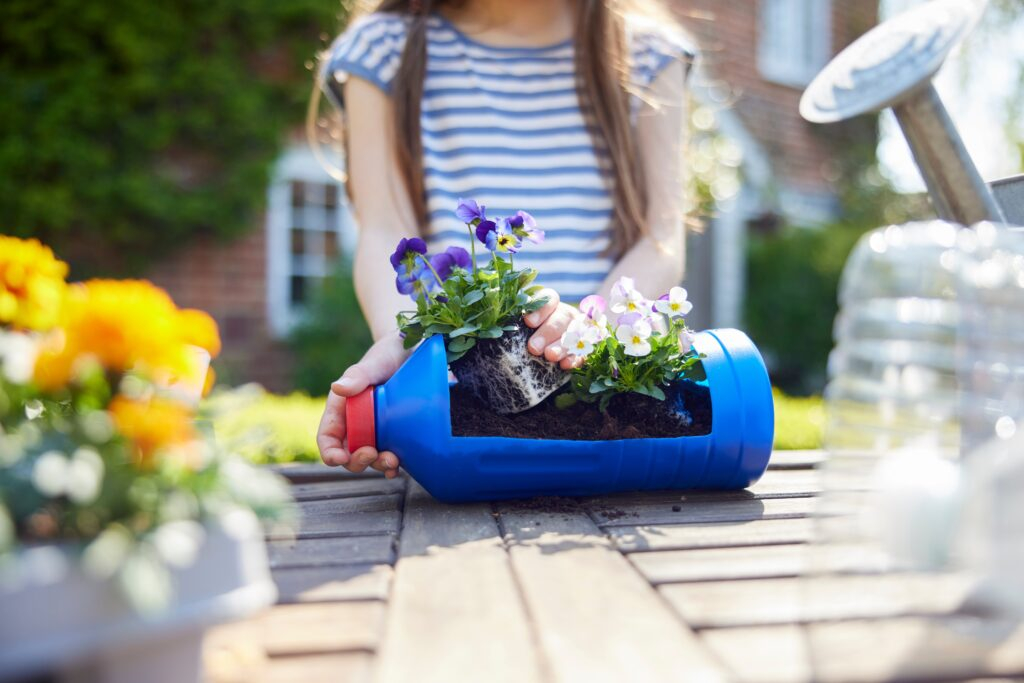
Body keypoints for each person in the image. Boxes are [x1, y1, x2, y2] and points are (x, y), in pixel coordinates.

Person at [315, 0, 695, 477]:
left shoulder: (646, 51)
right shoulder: (385, 48)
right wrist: (410, 349)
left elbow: (659, 235)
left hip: (600, 391)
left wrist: (587, 330)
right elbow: (384, 233)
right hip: (463, 395)